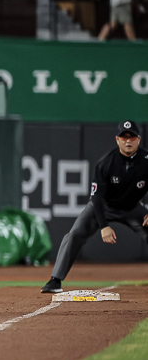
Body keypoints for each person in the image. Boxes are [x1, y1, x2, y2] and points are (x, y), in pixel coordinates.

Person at [42, 121, 148, 293]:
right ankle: (55, 280)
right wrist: (104, 226)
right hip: (103, 206)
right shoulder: (106, 163)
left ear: (139, 139)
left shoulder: (146, 161)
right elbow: (97, 197)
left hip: (132, 208)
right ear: (117, 140)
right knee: (75, 234)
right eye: (124, 137)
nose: (128, 141)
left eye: (132, 137)